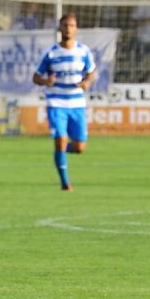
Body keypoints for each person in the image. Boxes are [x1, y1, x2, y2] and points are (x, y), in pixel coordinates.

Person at [32, 13, 96, 191]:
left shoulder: (83, 51)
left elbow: (91, 71)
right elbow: (36, 77)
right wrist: (46, 81)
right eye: (65, 25)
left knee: (79, 147)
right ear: (59, 28)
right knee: (60, 139)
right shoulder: (51, 53)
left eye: (72, 25)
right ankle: (65, 182)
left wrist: (87, 82)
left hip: (77, 103)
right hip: (56, 102)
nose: (68, 29)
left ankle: (60, 151)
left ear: (76, 29)